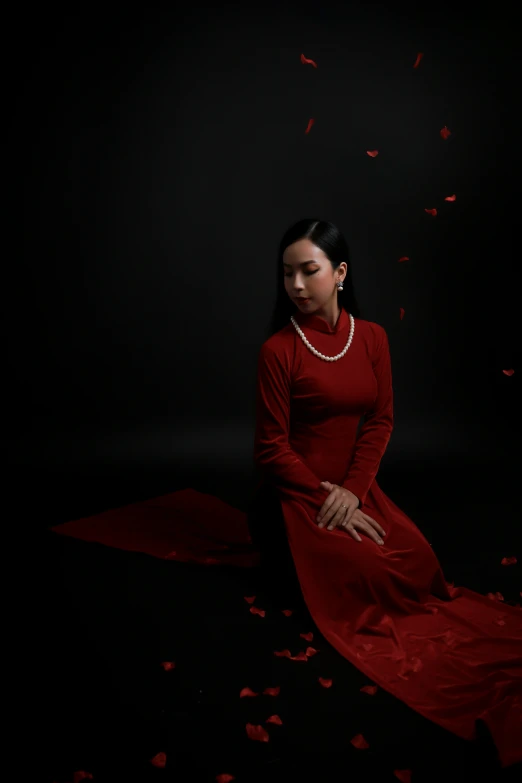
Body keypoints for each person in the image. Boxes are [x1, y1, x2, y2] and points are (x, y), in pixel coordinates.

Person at [246, 217, 522, 768]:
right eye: (286, 274)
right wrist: (329, 498)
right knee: (367, 573)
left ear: (340, 272)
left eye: (309, 270)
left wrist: (353, 490)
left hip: (353, 488)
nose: (296, 285)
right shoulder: (278, 350)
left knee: (418, 564)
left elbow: (380, 422)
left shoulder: (372, 337)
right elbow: (271, 449)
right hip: (294, 495)